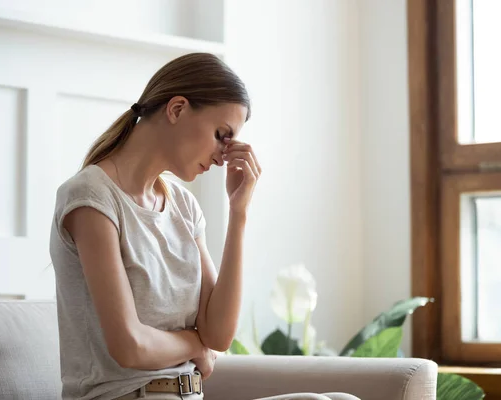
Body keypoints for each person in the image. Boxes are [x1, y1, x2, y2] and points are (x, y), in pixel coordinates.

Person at [49, 53, 358, 400]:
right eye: (220, 135)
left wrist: (238, 213)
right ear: (177, 109)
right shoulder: (92, 197)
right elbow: (130, 346)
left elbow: (218, 335)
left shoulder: (183, 206)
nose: (223, 155)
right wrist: (193, 343)